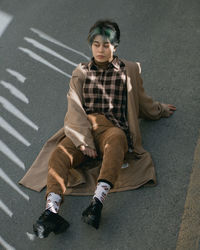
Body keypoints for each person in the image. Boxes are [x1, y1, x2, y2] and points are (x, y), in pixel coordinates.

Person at [30, 19, 176, 238]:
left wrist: (161, 109)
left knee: (117, 138)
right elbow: (74, 109)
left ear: (114, 46)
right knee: (59, 154)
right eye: (96, 44)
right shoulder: (80, 73)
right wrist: (83, 141)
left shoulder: (130, 71)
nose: (100, 49)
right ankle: (51, 212)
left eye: (106, 45)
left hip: (111, 130)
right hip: (85, 128)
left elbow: (143, 103)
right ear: (91, 45)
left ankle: (96, 203)